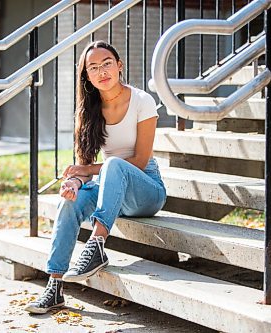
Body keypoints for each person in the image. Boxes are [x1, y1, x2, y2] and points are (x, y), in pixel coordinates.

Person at [25, 40, 167, 314]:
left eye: (107, 64)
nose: (102, 71)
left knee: (114, 164)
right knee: (69, 203)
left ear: (119, 66)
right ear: (87, 76)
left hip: (145, 190)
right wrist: (74, 183)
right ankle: (54, 287)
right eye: (93, 67)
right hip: (109, 190)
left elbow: (139, 161)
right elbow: (84, 167)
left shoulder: (142, 101)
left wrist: (87, 172)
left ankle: (97, 244)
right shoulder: (87, 112)